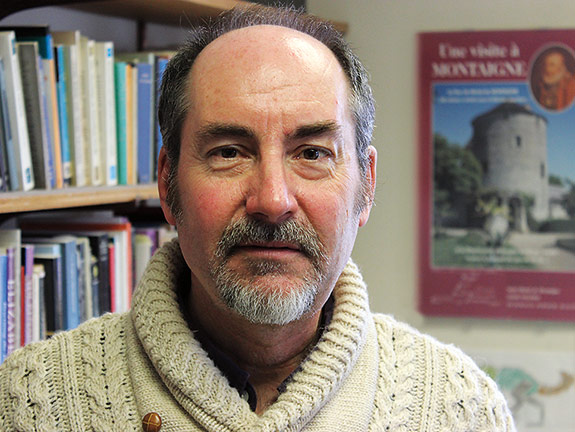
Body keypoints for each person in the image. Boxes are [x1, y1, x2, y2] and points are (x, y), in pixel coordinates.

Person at [0, 5, 516, 431]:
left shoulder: (460, 410)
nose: (272, 199)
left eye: (312, 153)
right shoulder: (32, 404)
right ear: (167, 184)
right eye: (228, 152)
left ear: (366, 186)